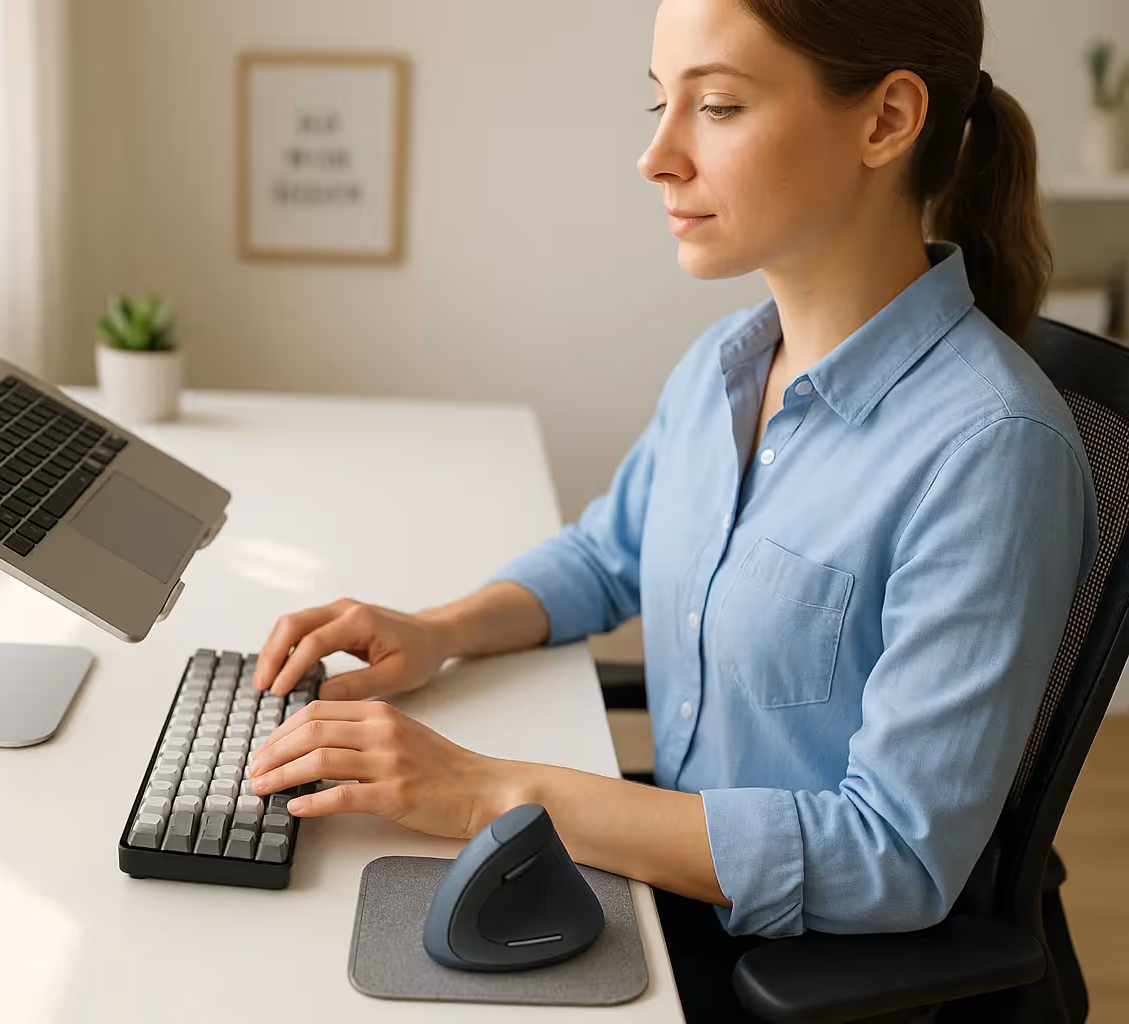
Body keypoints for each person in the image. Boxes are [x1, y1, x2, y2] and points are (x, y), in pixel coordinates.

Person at [245, 0, 1098, 1018]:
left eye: (719, 106)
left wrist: (486, 788)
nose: (657, 156)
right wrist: (437, 631)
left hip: (781, 964)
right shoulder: (727, 366)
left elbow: (895, 856)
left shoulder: (993, 452)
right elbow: (611, 551)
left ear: (885, 121)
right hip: (664, 881)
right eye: (660, 104)